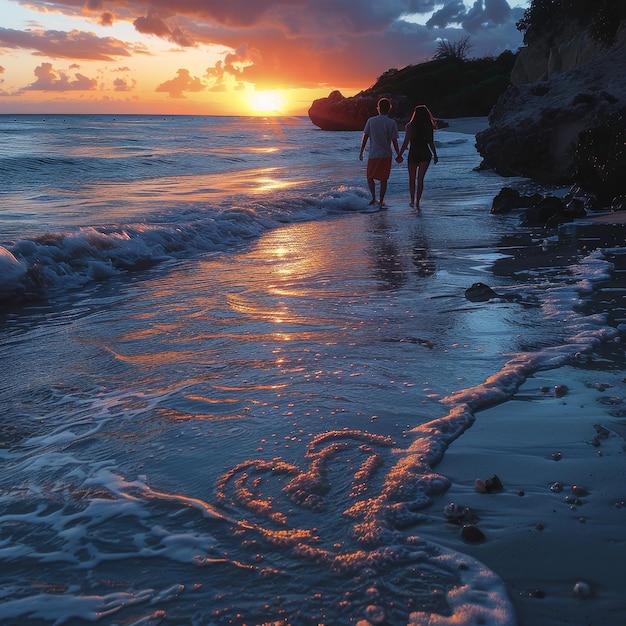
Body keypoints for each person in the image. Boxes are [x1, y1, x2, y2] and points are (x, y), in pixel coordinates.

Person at [359, 98, 403, 207]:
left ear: (378, 108)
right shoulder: (391, 122)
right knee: (384, 179)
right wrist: (398, 154)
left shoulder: (371, 121)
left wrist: (361, 152)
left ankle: (374, 198)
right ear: (389, 109)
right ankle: (381, 200)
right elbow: (394, 141)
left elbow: (365, 137)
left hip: (373, 154)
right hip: (386, 155)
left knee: (370, 177)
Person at [398, 104, 439, 209]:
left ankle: (412, 201)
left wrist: (399, 154)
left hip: (414, 153)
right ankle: (417, 202)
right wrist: (435, 154)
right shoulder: (429, 126)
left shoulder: (409, 126)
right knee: (420, 179)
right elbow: (431, 142)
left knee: (412, 179)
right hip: (425, 153)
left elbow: (406, 142)